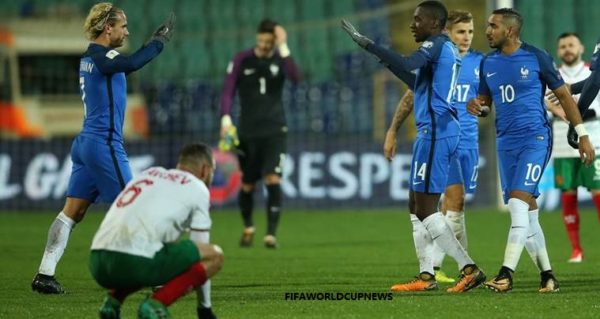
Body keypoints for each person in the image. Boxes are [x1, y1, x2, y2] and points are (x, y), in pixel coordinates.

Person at [31, 2, 175, 294]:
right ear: (107, 28)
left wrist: (146, 45)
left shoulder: (91, 57)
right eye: (123, 26)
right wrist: (158, 43)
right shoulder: (101, 56)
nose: (127, 31)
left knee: (72, 212)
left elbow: (124, 64)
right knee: (135, 206)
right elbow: (132, 63)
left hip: (85, 144)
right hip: (103, 144)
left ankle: (44, 274)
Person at [343, 0, 486, 293]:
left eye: (418, 19)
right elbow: (413, 78)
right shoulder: (442, 50)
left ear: (434, 24)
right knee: (415, 205)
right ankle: (425, 277)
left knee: (426, 208)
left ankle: (468, 268)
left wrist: (368, 44)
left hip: (436, 133)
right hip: (432, 133)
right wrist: (384, 59)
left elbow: (409, 64)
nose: (412, 24)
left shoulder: (436, 45)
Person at [467, 8, 595, 293]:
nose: (487, 31)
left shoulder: (537, 56)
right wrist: (478, 107)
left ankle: (505, 274)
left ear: (510, 31)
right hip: (505, 143)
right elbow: (485, 101)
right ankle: (547, 275)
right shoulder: (487, 63)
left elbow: (563, 95)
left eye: (493, 26)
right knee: (529, 214)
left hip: (535, 138)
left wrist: (583, 134)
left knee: (517, 204)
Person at [383, 9, 483, 286]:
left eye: (471, 32)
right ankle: (433, 271)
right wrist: (392, 130)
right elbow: (412, 93)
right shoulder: (437, 56)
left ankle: (457, 269)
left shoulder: (480, 63)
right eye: (461, 31)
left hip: (456, 137)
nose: (467, 37)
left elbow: (495, 92)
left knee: (448, 204)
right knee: (425, 203)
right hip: (437, 135)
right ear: (447, 31)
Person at [89, 143, 223, 319]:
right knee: (214, 255)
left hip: (97, 261)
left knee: (153, 252)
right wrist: (204, 310)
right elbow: (200, 250)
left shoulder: (149, 174)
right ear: (205, 170)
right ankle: (156, 304)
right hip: (135, 262)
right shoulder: (198, 188)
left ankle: (112, 303)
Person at [219, 19, 301, 248]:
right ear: (257, 38)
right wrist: (225, 118)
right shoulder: (241, 59)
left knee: (273, 178)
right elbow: (227, 90)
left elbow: (296, 78)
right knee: (248, 184)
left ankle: (270, 234)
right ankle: (248, 227)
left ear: (275, 41)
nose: (265, 46)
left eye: (270, 42)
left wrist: (284, 47)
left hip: (275, 130)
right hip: (247, 132)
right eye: (261, 41)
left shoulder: (280, 59)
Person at [545, 33, 600, 263]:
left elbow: (594, 90)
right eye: (563, 46)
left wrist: (575, 115)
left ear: (581, 47)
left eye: (571, 45)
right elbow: (546, 103)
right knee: (568, 194)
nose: (567, 49)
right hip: (562, 141)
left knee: (597, 191)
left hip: (593, 136)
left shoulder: (591, 68)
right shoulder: (552, 75)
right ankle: (576, 250)